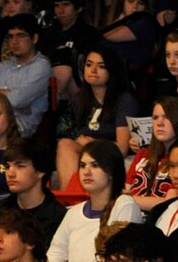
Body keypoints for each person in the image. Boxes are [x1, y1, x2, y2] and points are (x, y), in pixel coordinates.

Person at [46, 140, 146, 262]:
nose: (86, 171)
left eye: (95, 165)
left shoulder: (124, 205)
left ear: (111, 170)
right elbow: (56, 251)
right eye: (82, 165)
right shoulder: (74, 212)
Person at [57, 42, 144, 185]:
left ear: (111, 71)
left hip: (111, 155)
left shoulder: (124, 100)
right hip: (87, 153)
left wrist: (93, 144)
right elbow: (76, 137)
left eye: (101, 66)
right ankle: (71, 200)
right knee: (65, 145)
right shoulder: (79, 99)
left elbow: (122, 148)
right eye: (89, 64)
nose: (93, 70)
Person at [0, 13, 51, 136]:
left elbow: (17, 100)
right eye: (10, 37)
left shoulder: (41, 66)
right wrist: (4, 92)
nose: (14, 41)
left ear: (34, 38)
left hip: (19, 126)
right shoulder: (5, 65)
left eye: (21, 36)